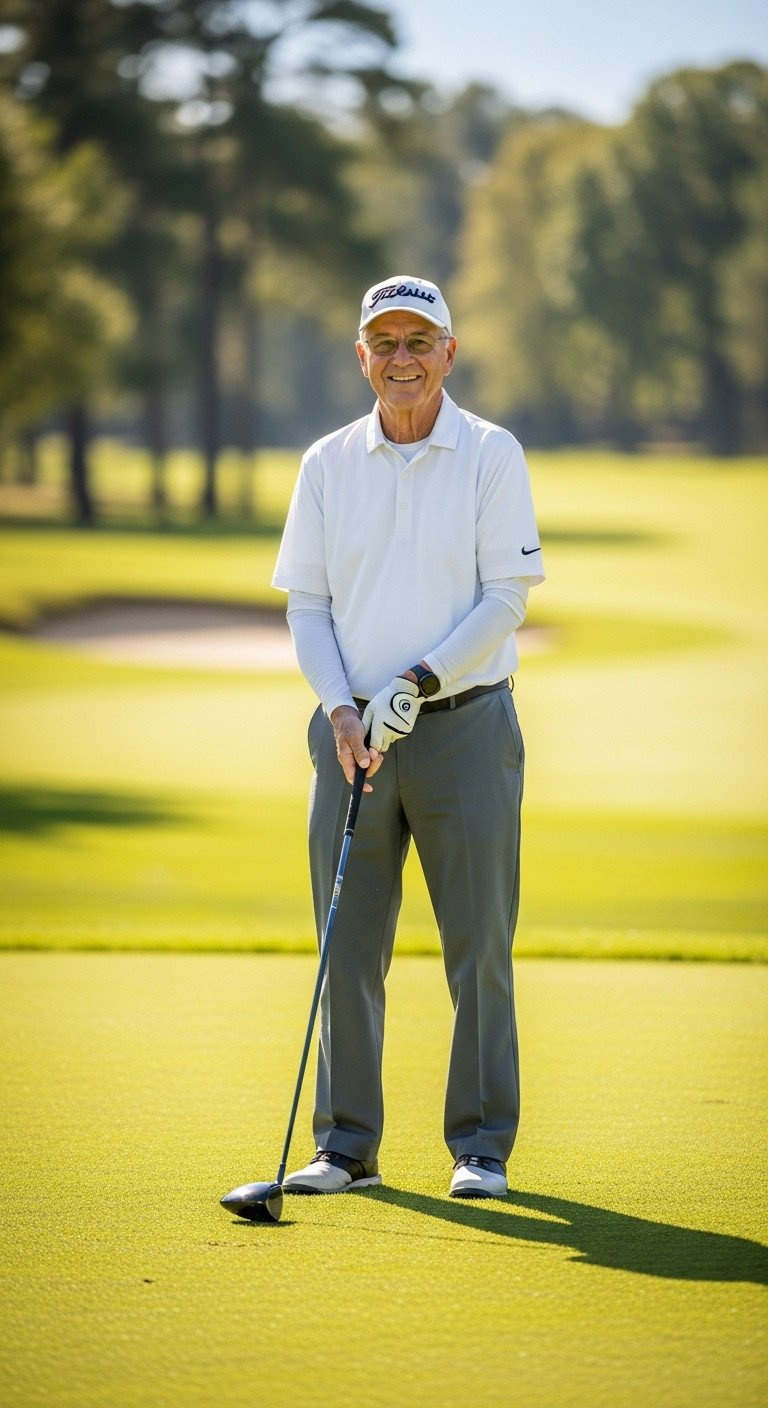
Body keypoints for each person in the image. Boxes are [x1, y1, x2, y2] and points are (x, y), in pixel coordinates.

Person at [271, 275, 544, 1199]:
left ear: (449, 353)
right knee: (346, 946)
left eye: (417, 341)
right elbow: (308, 603)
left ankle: (479, 1148)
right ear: (361, 357)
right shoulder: (327, 462)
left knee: (477, 947)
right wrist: (343, 707)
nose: (400, 358)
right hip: (348, 737)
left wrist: (415, 683)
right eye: (382, 342)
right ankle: (345, 1147)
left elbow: (504, 599)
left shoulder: (491, 454)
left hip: (464, 730)